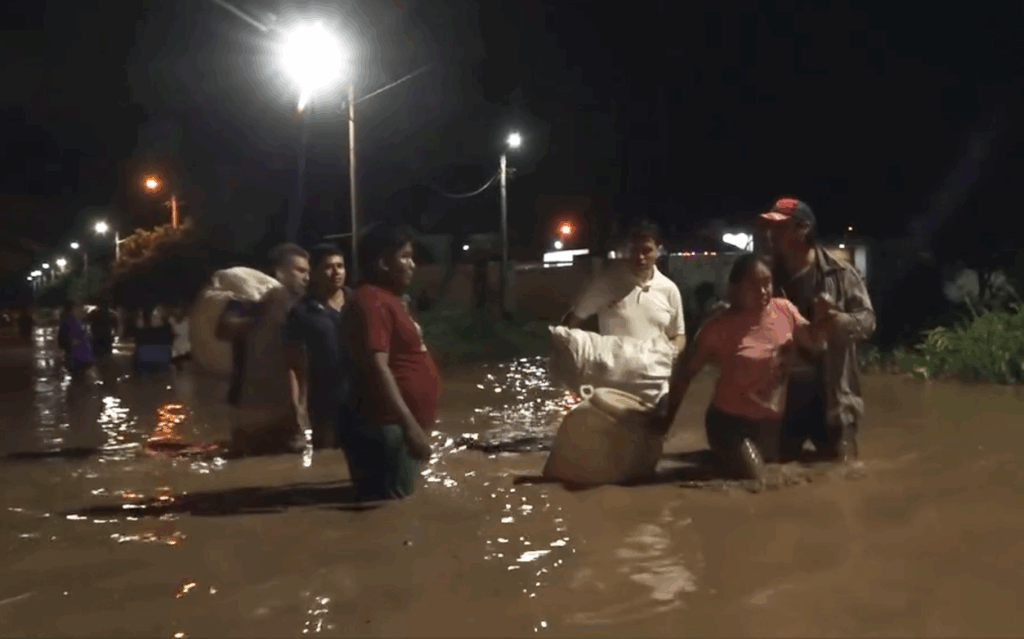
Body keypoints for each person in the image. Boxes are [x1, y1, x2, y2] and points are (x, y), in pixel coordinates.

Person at [658, 254, 832, 479]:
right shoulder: (717, 328)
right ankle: (722, 456)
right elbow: (685, 377)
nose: (763, 291)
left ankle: (716, 460)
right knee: (757, 479)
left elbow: (815, 343)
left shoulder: (784, 310)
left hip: (771, 425)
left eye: (767, 283)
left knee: (779, 469)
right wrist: (663, 427)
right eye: (753, 285)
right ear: (735, 289)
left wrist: (823, 317)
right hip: (730, 424)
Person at [760, 197, 876, 462]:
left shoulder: (841, 273)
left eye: (779, 227)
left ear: (803, 229)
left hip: (833, 398)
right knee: (772, 467)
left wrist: (837, 320)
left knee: (843, 470)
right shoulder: (763, 277)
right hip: (782, 399)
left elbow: (868, 322)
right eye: (769, 227)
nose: (770, 234)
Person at [339, 224, 440, 501]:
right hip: (387, 428)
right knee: (389, 510)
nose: (413, 265)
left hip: (394, 428)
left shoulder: (386, 300)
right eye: (405, 257)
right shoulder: (372, 302)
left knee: (392, 505)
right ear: (383, 263)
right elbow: (377, 367)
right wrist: (410, 427)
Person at [216, 243, 311, 456]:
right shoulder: (250, 296)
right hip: (248, 399)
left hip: (285, 402)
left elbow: (300, 360)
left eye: (308, 272)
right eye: (300, 271)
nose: (306, 277)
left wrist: (301, 405)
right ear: (279, 272)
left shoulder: (300, 306)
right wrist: (263, 316)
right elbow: (223, 329)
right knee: (246, 458)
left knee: (287, 459)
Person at [284, 243, 353, 450]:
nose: (336, 272)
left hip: (363, 397)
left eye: (340, 266)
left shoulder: (357, 301)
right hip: (325, 404)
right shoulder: (301, 312)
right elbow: (293, 364)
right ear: (314, 273)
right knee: (327, 457)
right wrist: (297, 409)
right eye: (328, 267)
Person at [57, 301, 95, 375]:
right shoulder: (70, 322)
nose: (82, 309)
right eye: (79, 307)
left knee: (79, 376)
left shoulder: (75, 321)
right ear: (72, 309)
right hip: (78, 358)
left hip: (80, 358)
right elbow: (66, 340)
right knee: (79, 376)